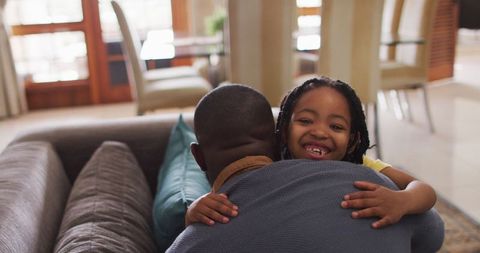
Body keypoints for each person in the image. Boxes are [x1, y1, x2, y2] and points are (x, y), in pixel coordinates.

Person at [167, 84, 444, 252]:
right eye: (306, 122)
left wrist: (403, 200)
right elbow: (432, 234)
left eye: (336, 127)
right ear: (281, 137)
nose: (319, 134)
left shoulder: (372, 180)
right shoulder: (368, 181)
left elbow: (424, 194)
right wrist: (194, 211)